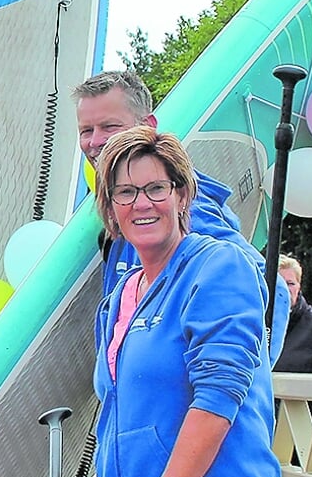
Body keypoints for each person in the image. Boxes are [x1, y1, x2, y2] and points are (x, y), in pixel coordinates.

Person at [52, 127, 282, 477]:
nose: (143, 204)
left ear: (182, 194)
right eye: (125, 193)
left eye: (156, 188)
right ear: (110, 210)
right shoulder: (122, 296)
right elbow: (135, 415)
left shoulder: (219, 266)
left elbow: (218, 398)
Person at [73, 69, 290, 346]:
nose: (95, 142)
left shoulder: (182, 209)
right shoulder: (126, 212)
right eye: (86, 131)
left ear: (148, 126)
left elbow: (273, 291)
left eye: (110, 127)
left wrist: (238, 379)